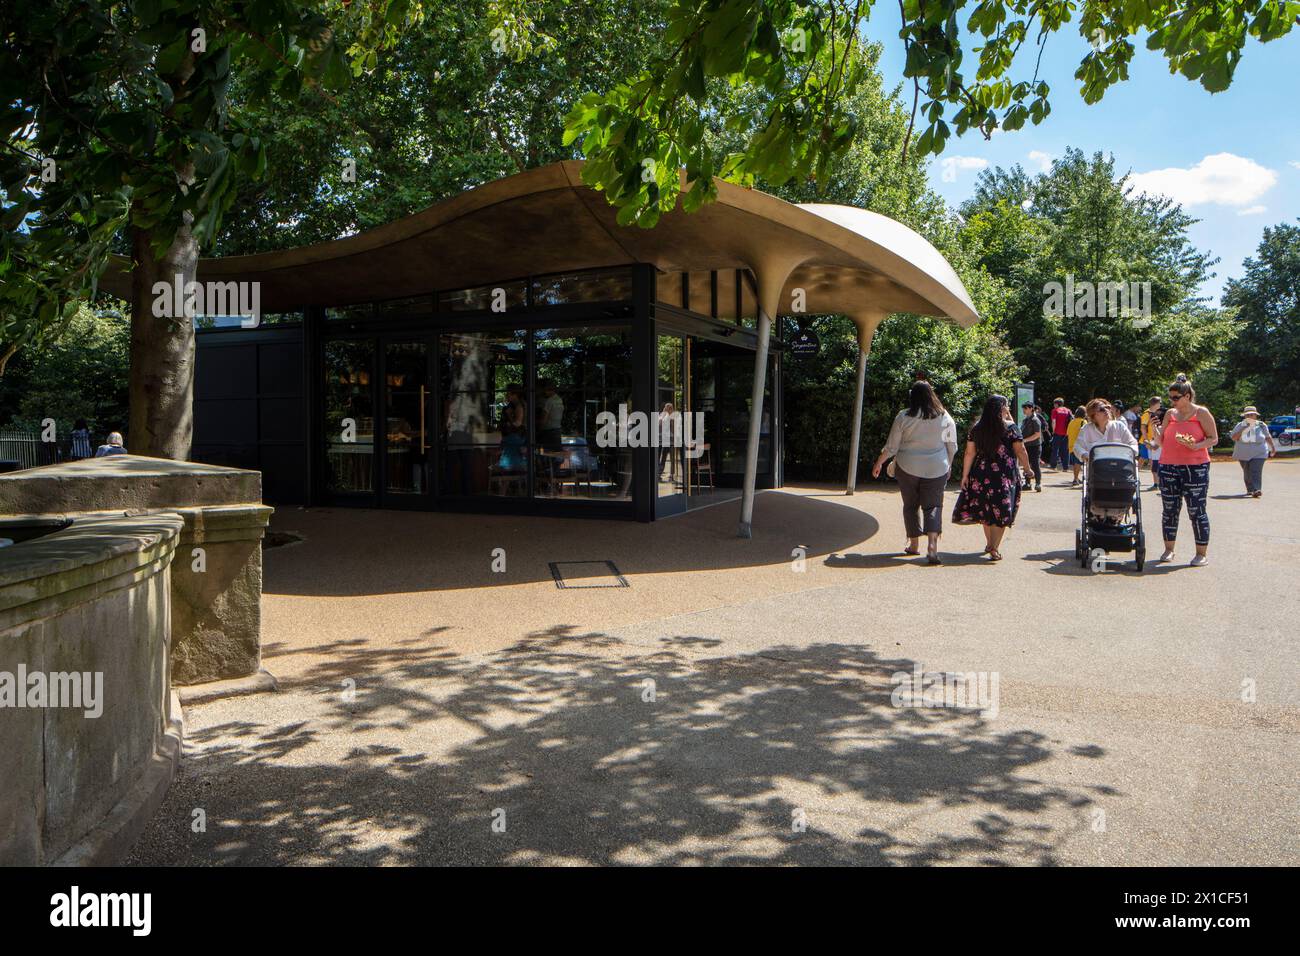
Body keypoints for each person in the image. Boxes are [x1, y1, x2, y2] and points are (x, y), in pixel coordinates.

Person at [872, 381, 958, 565]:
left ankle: (913, 544)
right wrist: (948, 465)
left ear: (912, 396)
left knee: (910, 505)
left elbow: (892, 447)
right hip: (937, 467)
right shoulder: (945, 417)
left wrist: (879, 463)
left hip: (907, 466)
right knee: (933, 505)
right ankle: (932, 547)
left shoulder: (903, 416)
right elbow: (952, 446)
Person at [952, 395, 1033, 561]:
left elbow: (969, 453)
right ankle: (994, 547)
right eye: (1007, 406)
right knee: (1002, 511)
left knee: (986, 509)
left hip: (981, 473)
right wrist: (1028, 469)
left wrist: (965, 475)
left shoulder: (976, 428)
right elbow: (1020, 450)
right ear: (1002, 408)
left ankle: (990, 543)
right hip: (1004, 474)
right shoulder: (1011, 428)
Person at [1153, 374, 1218, 567]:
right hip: (1168, 466)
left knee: (1196, 510)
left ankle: (1201, 553)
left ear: (1187, 396)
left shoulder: (1201, 413)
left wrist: (1196, 446)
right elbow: (1161, 442)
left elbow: (1214, 438)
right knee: (1169, 510)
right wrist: (1156, 432)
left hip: (1196, 467)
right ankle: (1169, 549)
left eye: (1175, 397)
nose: (1172, 401)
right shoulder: (1169, 415)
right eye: (1170, 397)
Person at [1230, 405, 1276, 498]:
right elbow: (1234, 438)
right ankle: (1250, 489)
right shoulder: (1240, 425)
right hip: (1243, 453)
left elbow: (1267, 436)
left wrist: (1273, 447)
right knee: (1247, 472)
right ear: (1244, 416)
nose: (1250, 417)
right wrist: (1244, 428)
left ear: (1256, 416)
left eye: (1252, 415)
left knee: (1256, 471)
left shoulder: (1262, 425)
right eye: (1248, 415)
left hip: (1259, 452)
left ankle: (1257, 489)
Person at [1072, 399, 1138, 461]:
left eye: (1108, 407)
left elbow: (1133, 443)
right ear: (1093, 415)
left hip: (1118, 467)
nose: (1106, 410)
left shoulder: (1119, 426)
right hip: (1096, 469)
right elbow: (1077, 447)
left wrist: (1129, 454)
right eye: (1101, 409)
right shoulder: (1086, 429)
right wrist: (1085, 455)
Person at [1018, 401, 1043, 491]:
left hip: (1035, 446)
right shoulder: (1025, 420)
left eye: (1026, 408)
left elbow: (1037, 434)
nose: (1024, 410)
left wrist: (1025, 440)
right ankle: (1027, 483)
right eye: (1023, 408)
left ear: (1031, 408)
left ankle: (1038, 483)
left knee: (1035, 465)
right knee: (1026, 464)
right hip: (1026, 446)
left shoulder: (1035, 420)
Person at [537, 379, 564, 451]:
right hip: (557, 430)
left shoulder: (549, 401)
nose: (544, 392)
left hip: (548, 431)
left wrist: (539, 428)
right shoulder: (559, 399)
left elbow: (544, 419)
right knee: (556, 455)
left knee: (546, 454)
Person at [1138, 397, 1162, 472]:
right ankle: (1134, 475)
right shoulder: (1147, 414)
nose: (1161, 405)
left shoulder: (1155, 413)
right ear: (1156, 404)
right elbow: (1143, 428)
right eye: (1160, 403)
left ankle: (1154, 481)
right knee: (1142, 458)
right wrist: (1146, 440)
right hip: (1146, 441)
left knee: (1152, 460)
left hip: (1153, 440)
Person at [1049, 397, 1072, 469]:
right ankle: (1065, 466)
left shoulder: (1055, 410)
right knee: (1065, 450)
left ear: (1056, 404)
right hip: (1066, 433)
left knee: (1055, 449)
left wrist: (1053, 430)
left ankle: (1053, 465)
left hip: (1057, 432)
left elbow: (1054, 422)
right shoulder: (1068, 410)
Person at [1066, 406, 1086, 485]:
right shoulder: (1083, 422)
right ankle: (1075, 479)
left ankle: (1076, 478)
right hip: (1079, 445)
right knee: (1078, 463)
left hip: (1071, 444)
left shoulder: (1071, 422)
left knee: (1075, 463)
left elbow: (1067, 433)